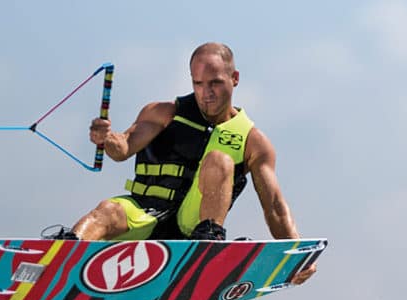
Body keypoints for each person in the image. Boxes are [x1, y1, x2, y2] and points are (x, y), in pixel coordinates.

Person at [67, 42, 315, 284]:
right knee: (106, 211)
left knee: (219, 159)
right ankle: (63, 259)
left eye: (215, 83)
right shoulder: (163, 113)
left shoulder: (254, 142)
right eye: (198, 83)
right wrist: (107, 138)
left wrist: (298, 253)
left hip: (192, 228)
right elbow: (122, 148)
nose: (206, 93)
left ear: (234, 78)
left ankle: (208, 243)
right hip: (145, 213)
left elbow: (274, 206)